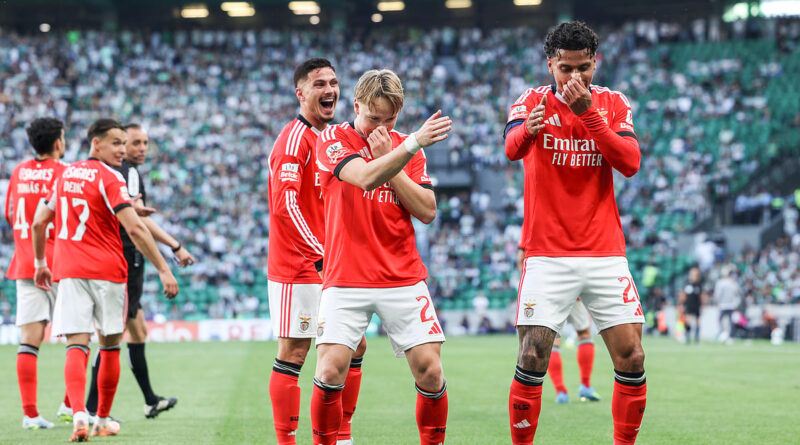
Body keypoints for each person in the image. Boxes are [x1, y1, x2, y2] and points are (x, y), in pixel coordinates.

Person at [504, 21, 647, 444]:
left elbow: (630, 162)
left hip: (604, 252)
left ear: (594, 63)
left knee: (632, 356)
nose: (574, 77)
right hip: (547, 253)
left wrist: (588, 113)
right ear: (550, 64)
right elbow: (511, 148)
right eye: (565, 68)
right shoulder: (530, 100)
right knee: (532, 354)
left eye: (583, 67)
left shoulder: (612, 103)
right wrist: (529, 130)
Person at [311, 69, 452, 445]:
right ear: (356, 105)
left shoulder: (404, 146)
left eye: (390, 119)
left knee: (431, 372)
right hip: (346, 277)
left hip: (402, 277)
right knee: (329, 371)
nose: (381, 127)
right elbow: (363, 177)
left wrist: (395, 155)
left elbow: (427, 210)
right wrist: (405, 149)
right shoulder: (332, 138)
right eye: (374, 117)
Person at [31, 118, 179, 442]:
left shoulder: (66, 175)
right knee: (110, 345)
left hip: (70, 271)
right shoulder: (111, 177)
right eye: (116, 143)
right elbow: (135, 228)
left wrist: (41, 263)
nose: (122, 150)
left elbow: (39, 222)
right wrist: (164, 268)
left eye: (124, 143)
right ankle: (99, 420)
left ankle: (78, 415)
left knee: (76, 344)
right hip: (108, 273)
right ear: (95, 143)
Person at [266, 58, 366, 445]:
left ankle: (341, 434)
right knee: (294, 351)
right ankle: (287, 441)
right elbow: (286, 207)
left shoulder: (333, 137)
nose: (329, 90)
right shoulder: (294, 139)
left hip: (333, 263)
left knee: (354, 345)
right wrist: (323, 253)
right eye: (319, 84)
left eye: (334, 83)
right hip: (300, 265)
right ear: (301, 93)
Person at [85, 123, 194, 421]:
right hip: (126, 256)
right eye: (133, 143)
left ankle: (149, 400)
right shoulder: (127, 172)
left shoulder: (113, 172)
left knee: (137, 330)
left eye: (144, 143)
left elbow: (135, 214)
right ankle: (91, 408)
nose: (139, 148)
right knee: (112, 334)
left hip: (119, 255)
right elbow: (136, 222)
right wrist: (174, 247)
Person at [5, 117, 69, 430]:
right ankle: (70, 406)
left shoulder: (19, 172)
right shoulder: (65, 173)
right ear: (58, 142)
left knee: (29, 342)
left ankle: (30, 415)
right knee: (81, 336)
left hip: (25, 264)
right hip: (60, 264)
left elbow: (10, 213)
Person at [517, 232, 601, 405]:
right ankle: (585, 386)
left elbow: (521, 257)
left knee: (553, 341)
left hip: (550, 289)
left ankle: (561, 391)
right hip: (575, 282)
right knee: (584, 334)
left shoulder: (534, 221)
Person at [678, 266, 707, 344]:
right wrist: (681, 304)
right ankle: (687, 337)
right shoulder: (687, 283)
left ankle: (697, 338)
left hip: (696, 305)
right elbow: (683, 295)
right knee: (687, 321)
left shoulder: (699, 285)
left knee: (697, 321)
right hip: (688, 305)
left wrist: (703, 305)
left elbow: (701, 296)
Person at [714, 265, 741, 342]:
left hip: (724, 305)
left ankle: (723, 334)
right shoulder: (733, 282)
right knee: (730, 322)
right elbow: (738, 295)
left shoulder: (721, 283)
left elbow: (717, 295)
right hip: (730, 305)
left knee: (722, 321)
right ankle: (728, 335)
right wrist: (736, 304)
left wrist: (717, 302)